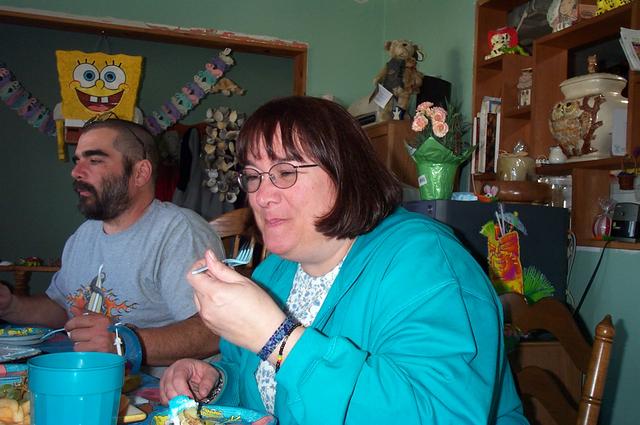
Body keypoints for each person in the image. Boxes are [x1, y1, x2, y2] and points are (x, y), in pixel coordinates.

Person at [160, 96, 527, 424]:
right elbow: (258, 385)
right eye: (253, 176)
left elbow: (442, 414)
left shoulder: (427, 261)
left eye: (285, 172)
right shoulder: (274, 271)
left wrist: (277, 340)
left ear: (346, 173)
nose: (261, 195)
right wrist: (216, 385)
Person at [0, 116, 225, 372]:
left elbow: (214, 331)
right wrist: (10, 305)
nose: (76, 172)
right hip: (94, 380)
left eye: (94, 160)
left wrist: (125, 343)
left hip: (166, 390)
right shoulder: (84, 235)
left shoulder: (179, 233)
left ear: (140, 173)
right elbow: (63, 309)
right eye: (77, 161)